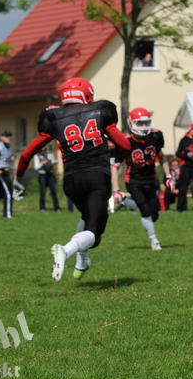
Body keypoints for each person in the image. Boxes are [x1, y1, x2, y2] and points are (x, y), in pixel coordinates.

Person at [16, 78, 131, 281]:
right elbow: (125, 146)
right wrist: (108, 149)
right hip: (96, 177)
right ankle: (66, 251)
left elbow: (26, 155)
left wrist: (18, 179)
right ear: (87, 95)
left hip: (71, 182)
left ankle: (81, 262)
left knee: (87, 216)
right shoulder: (100, 110)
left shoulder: (54, 117)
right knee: (94, 233)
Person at [118, 107, 170, 250]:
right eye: (140, 123)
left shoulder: (155, 137)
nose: (143, 126)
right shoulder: (126, 141)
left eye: (146, 123)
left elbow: (161, 157)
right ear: (131, 123)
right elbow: (115, 165)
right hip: (133, 181)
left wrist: (168, 175)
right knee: (145, 211)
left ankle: (125, 202)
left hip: (150, 180)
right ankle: (154, 241)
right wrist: (115, 188)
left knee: (154, 215)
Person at [34, 147, 61, 212]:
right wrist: (42, 163)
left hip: (50, 174)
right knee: (43, 192)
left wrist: (54, 162)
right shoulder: (37, 155)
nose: (43, 146)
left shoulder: (50, 153)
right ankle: (42, 208)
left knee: (54, 191)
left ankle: (57, 208)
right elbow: (36, 167)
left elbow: (52, 161)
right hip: (42, 175)